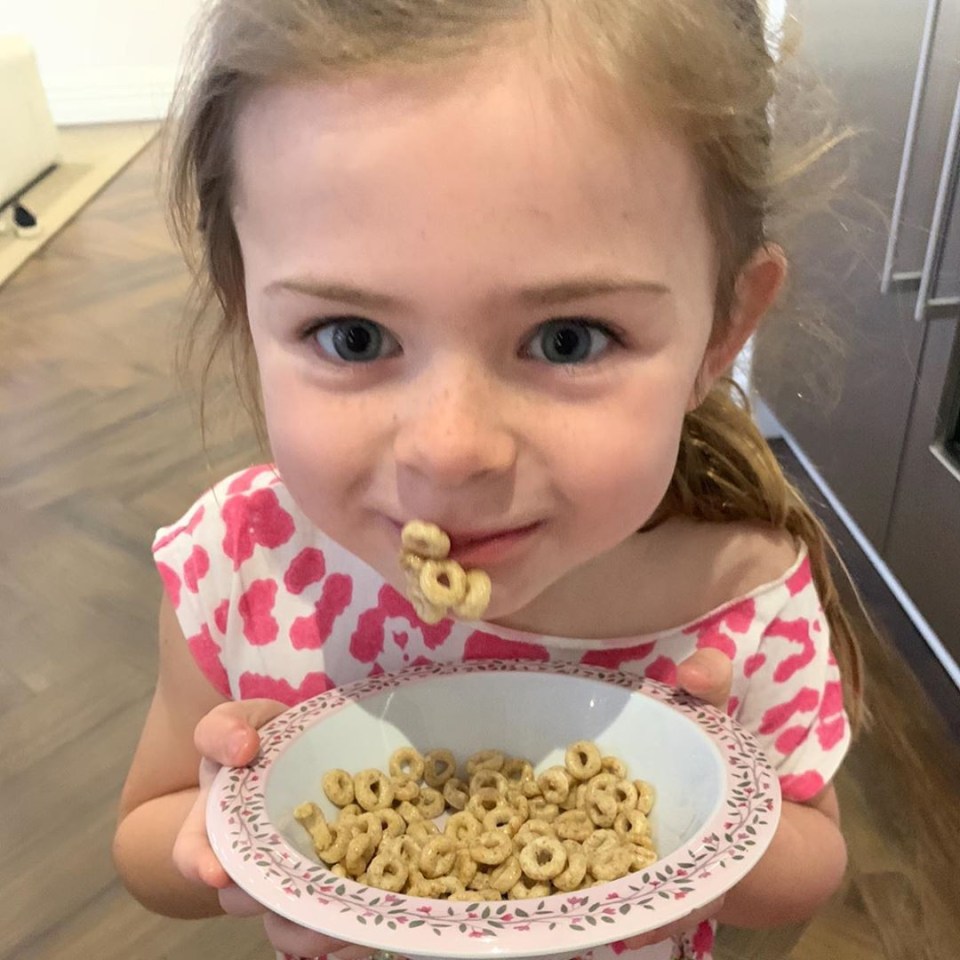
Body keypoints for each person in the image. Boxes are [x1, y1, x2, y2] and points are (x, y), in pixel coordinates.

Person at [112, 1, 874, 958]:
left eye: (568, 339)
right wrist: (224, 833)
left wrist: (704, 807)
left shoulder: (742, 598)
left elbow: (819, 856)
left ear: (721, 334)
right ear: (245, 311)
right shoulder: (244, 568)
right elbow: (146, 835)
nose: (450, 450)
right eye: (352, 337)